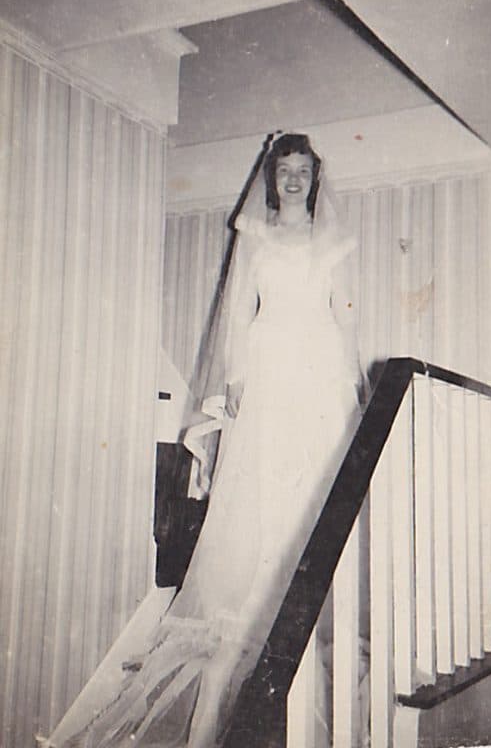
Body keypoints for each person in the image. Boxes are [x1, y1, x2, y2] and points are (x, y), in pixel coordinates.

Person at [49, 133, 366, 748]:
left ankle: (306, 617)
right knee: (260, 492)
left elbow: (345, 314)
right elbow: (239, 315)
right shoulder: (255, 234)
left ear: (315, 178)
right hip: (271, 369)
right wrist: (237, 377)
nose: (294, 180)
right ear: (272, 178)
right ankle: (252, 618)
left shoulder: (334, 241)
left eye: (303, 171)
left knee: (312, 489)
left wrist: (351, 383)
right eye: (285, 171)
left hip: (318, 371)